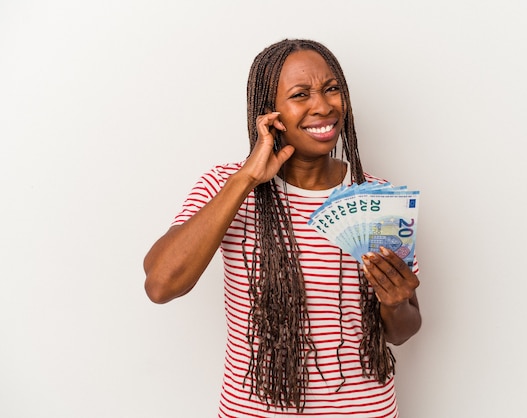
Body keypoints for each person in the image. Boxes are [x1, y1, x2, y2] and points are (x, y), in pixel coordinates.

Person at [144, 38, 421, 417]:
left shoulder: (378, 200)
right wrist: (247, 179)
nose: (323, 106)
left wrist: (394, 302)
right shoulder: (225, 186)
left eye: (331, 89)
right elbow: (161, 285)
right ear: (269, 113)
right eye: (300, 94)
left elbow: (402, 332)